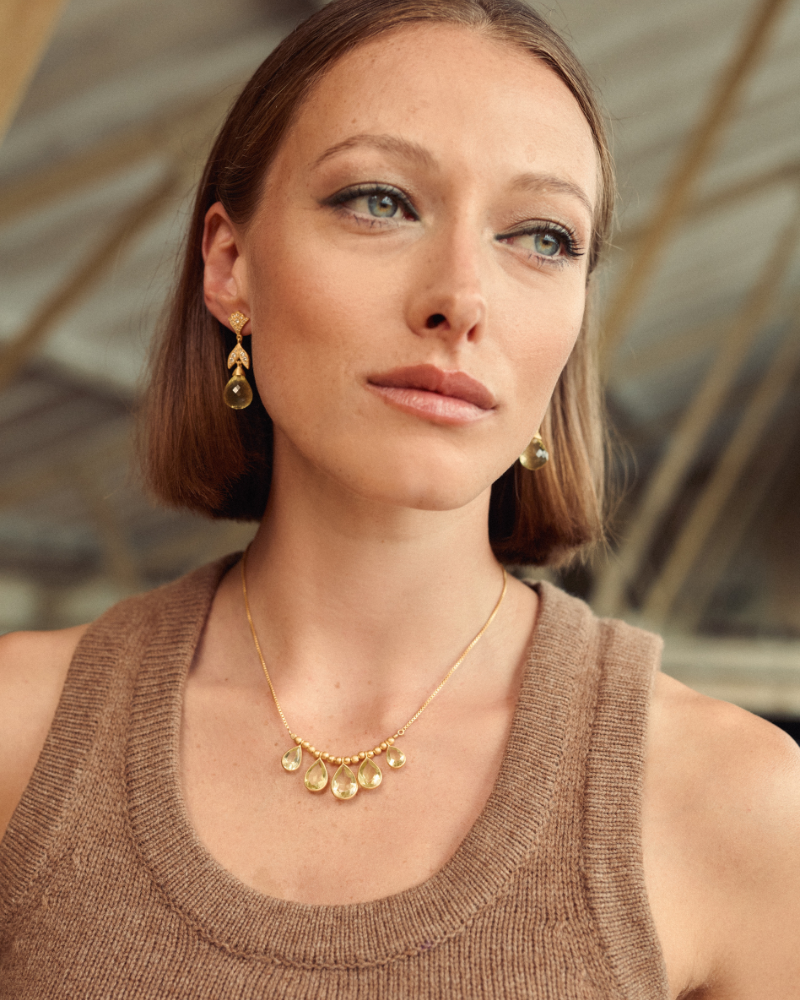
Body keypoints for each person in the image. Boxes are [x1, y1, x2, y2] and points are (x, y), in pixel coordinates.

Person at [1, 0, 799, 996]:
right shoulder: (18, 735)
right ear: (229, 265)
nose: (460, 298)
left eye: (542, 235)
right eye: (379, 200)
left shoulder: (737, 806)